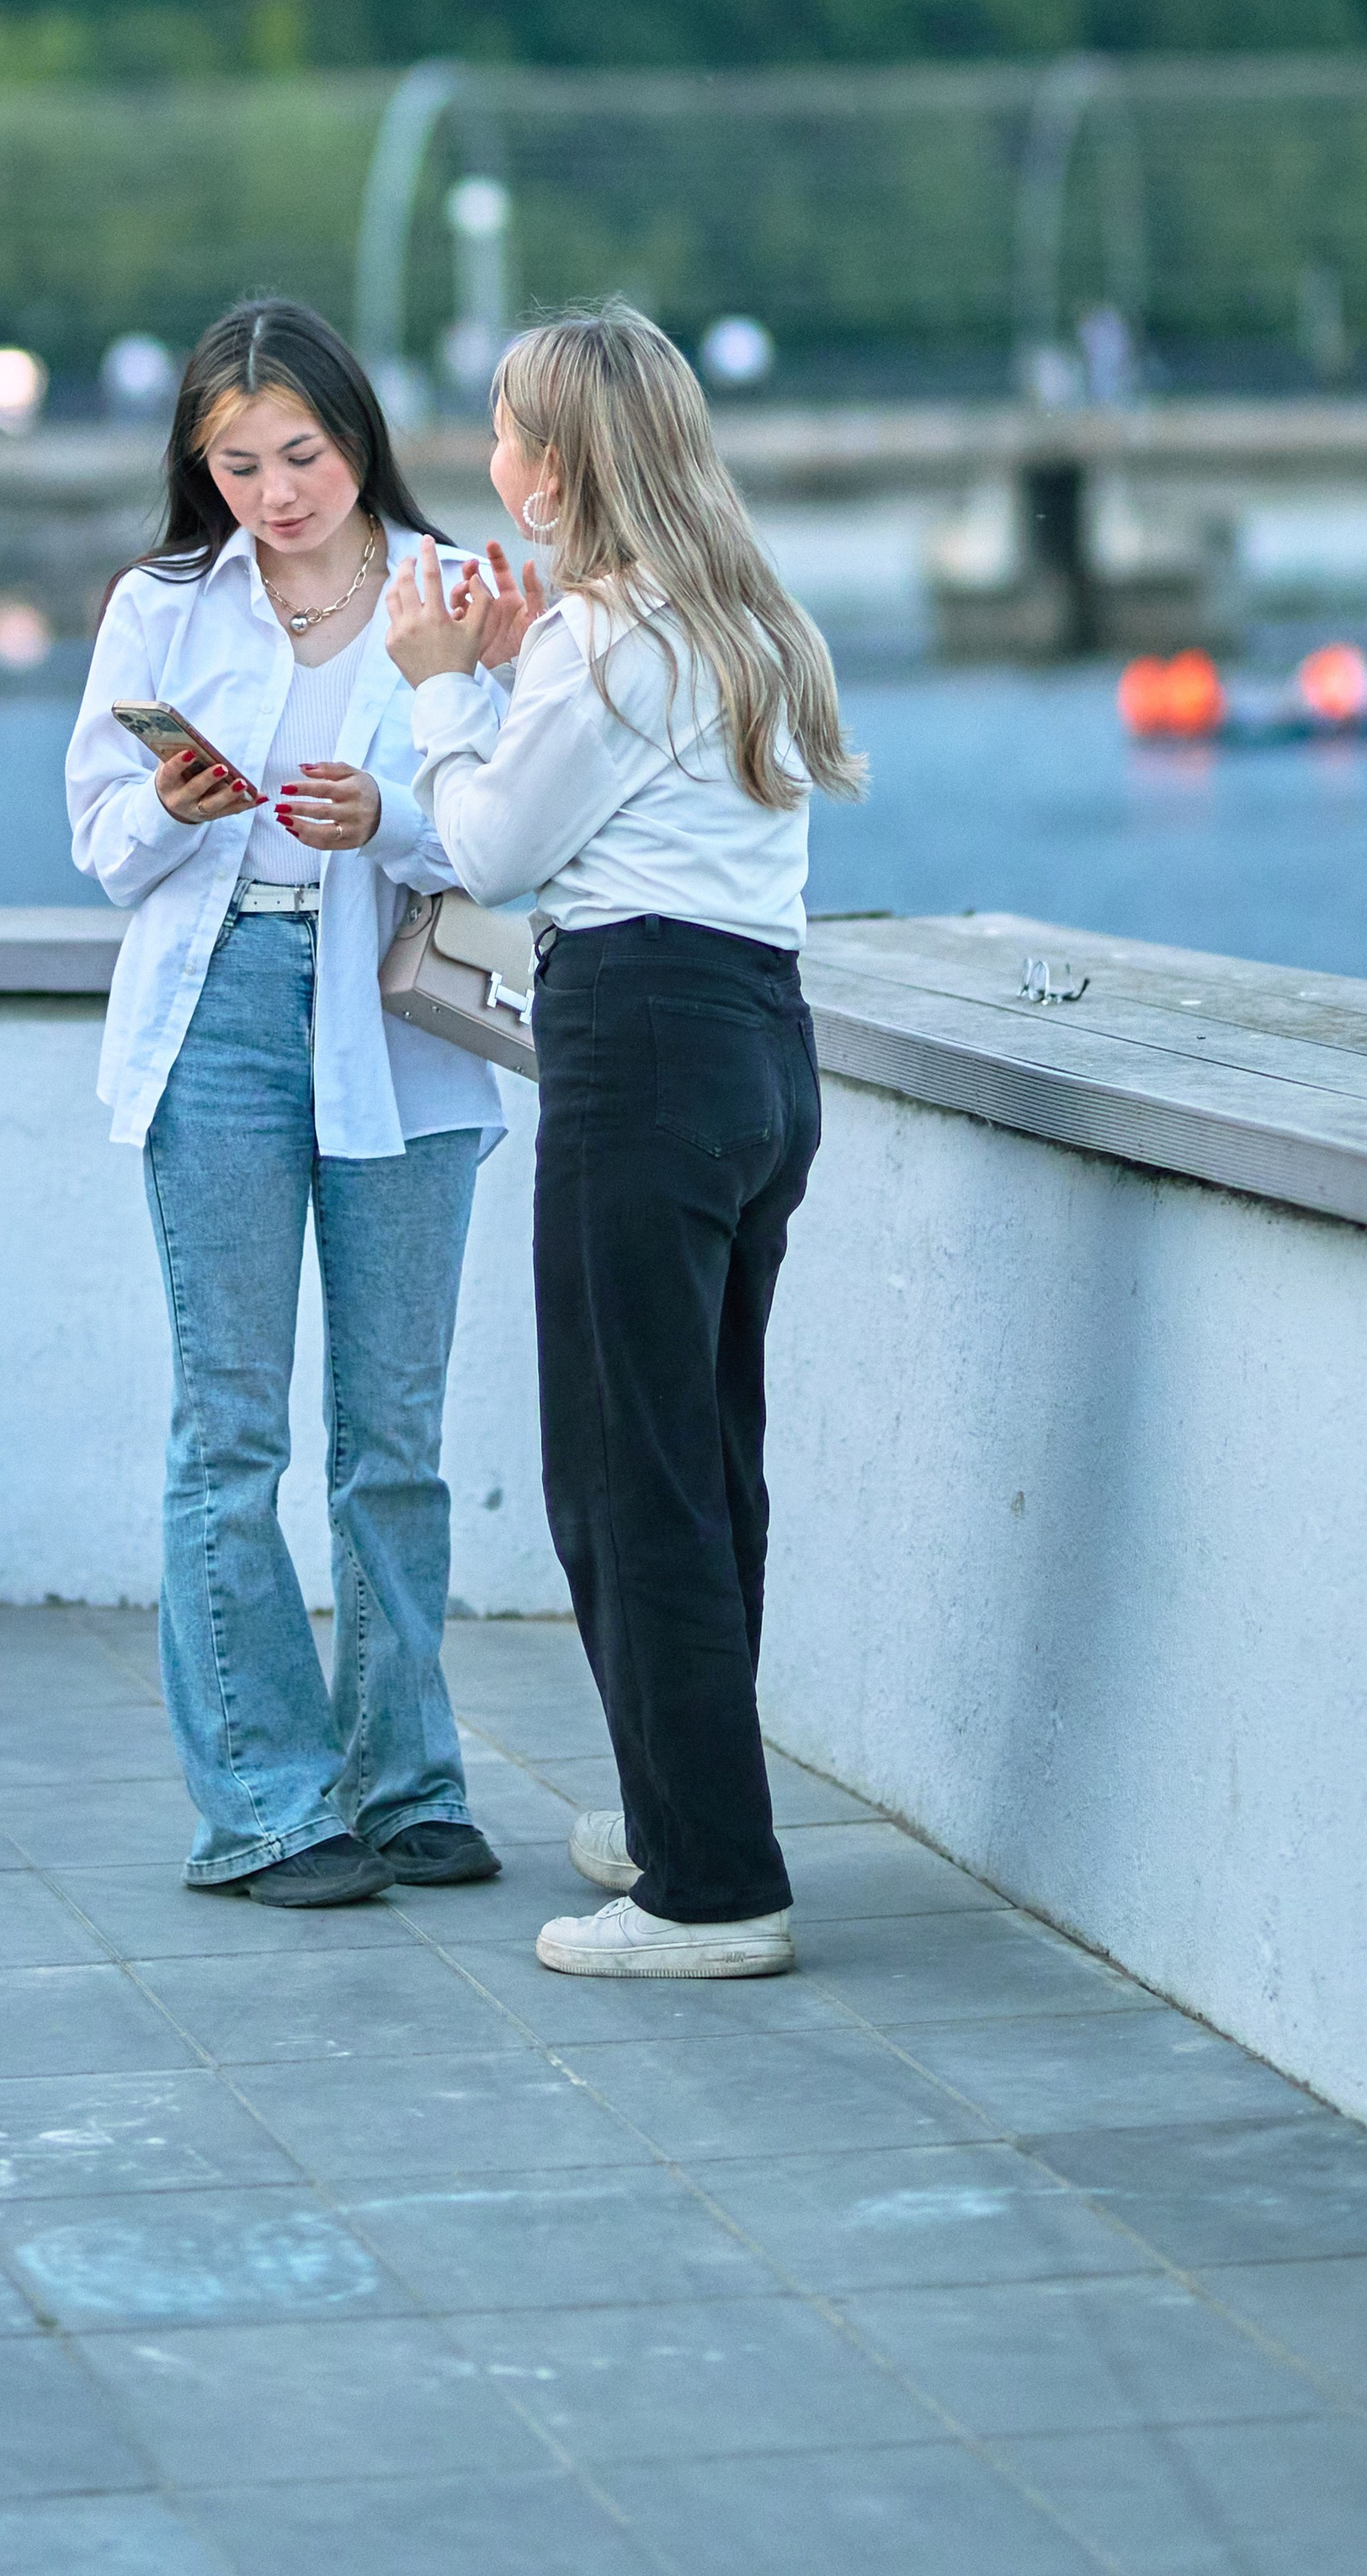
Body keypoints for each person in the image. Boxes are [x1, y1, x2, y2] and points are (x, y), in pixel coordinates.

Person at [385, 303, 864, 1979]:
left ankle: (711, 1892)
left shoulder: (596, 641)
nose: (493, 457)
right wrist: (517, 673)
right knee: (701, 1456)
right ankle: (685, 1810)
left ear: (561, 466)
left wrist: (449, 695)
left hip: (641, 1048)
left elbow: (496, 851)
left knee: (621, 1471)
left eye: (512, 431)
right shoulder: (741, 613)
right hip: (757, 1047)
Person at [66, 299, 504, 1906]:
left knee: (394, 1433)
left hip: (400, 1019)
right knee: (229, 1428)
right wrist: (182, 808)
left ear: (359, 434)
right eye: (238, 463)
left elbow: (511, 834)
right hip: (218, 1022)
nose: (277, 492)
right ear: (202, 466)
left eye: (302, 454)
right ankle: (266, 1801)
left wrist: (390, 817)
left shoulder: (456, 591)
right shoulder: (164, 607)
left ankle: (408, 1781)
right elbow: (101, 840)